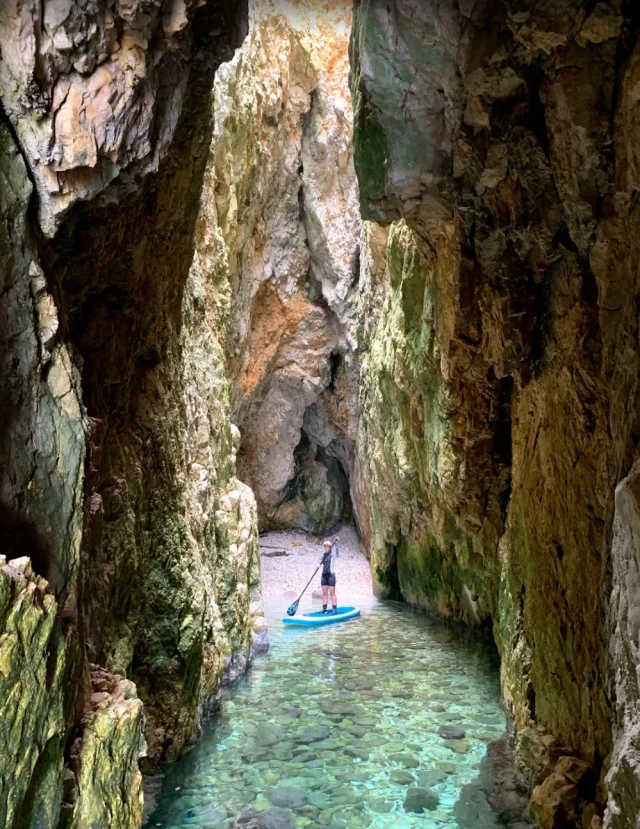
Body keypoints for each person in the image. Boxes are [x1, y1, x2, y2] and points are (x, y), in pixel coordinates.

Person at [319, 536, 340, 614]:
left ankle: (334, 608)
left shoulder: (333, 555)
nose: (325, 547)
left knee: (332, 593)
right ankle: (324, 608)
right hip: (324, 576)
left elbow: (337, 554)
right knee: (324, 593)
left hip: (331, 576)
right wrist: (318, 564)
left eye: (327, 546)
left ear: (330, 547)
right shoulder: (323, 555)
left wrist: (336, 544)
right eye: (324, 546)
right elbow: (319, 561)